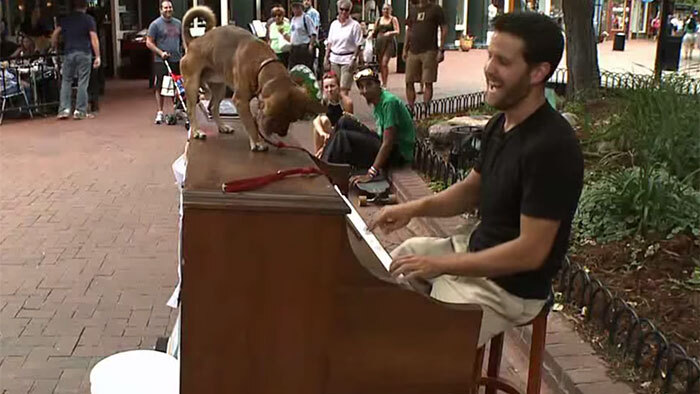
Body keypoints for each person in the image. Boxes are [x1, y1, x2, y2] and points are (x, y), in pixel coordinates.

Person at [371, 12, 583, 348]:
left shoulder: (552, 148)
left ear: (539, 72)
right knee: (391, 272)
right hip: (473, 254)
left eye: (503, 61)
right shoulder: (501, 125)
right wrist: (412, 209)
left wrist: (440, 264)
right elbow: (472, 190)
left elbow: (530, 253)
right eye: (489, 56)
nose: (489, 69)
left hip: (508, 288)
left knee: (411, 345)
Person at [322, 65, 415, 182]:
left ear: (378, 84)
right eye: (361, 87)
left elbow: (388, 143)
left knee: (343, 137)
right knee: (344, 121)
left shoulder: (389, 102)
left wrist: (371, 174)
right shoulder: (379, 100)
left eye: (369, 85)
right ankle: (323, 163)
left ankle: (323, 172)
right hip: (384, 145)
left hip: (397, 156)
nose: (365, 91)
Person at [51, 0, 101, 120]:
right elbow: (94, 38)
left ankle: (64, 109)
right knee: (83, 81)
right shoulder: (88, 19)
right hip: (84, 52)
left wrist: (54, 46)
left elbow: (55, 33)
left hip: (69, 52)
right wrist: (98, 55)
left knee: (66, 81)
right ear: (86, 6)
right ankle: (80, 110)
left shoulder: (67, 19)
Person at [403, 0, 447, 107]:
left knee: (428, 81)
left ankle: (425, 108)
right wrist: (405, 48)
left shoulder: (436, 9)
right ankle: (411, 108)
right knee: (409, 81)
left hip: (430, 51)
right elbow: (409, 30)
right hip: (413, 50)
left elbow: (444, 28)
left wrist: (441, 49)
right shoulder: (413, 10)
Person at [146, 0, 182, 124]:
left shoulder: (178, 23)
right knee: (160, 86)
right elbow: (149, 42)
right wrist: (161, 53)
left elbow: (183, 41)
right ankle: (160, 112)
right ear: (161, 10)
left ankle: (176, 110)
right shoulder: (155, 25)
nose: (168, 10)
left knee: (177, 86)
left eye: (170, 7)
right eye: (165, 8)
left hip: (176, 59)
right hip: (161, 61)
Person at [324, 0, 363, 100]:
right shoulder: (334, 24)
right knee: (334, 88)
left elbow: (359, 45)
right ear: (338, 9)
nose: (344, 12)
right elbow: (329, 43)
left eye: (347, 10)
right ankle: (336, 112)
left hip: (348, 60)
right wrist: (326, 58)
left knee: (343, 89)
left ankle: (346, 112)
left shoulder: (355, 25)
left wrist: (354, 59)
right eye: (342, 9)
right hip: (335, 59)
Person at [312, 71, 354, 157]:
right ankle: (318, 153)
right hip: (325, 134)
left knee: (325, 121)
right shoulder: (323, 101)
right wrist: (322, 133)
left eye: (332, 86)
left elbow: (349, 125)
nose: (329, 90)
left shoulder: (346, 102)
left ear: (338, 87)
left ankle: (323, 152)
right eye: (326, 87)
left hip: (340, 133)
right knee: (322, 121)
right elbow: (316, 120)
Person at [369, 3, 399, 87]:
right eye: (384, 9)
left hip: (389, 43)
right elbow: (374, 31)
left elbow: (397, 31)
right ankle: (382, 80)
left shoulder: (393, 19)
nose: (385, 11)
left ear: (390, 10)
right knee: (380, 63)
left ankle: (385, 83)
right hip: (379, 43)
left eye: (387, 9)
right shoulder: (379, 20)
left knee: (384, 63)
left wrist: (390, 33)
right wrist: (370, 35)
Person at [289, 0, 317, 70]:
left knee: (306, 68)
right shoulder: (293, 19)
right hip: (294, 48)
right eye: (294, 7)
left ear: (301, 7)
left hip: (303, 47)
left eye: (297, 7)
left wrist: (311, 45)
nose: (295, 9)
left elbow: (313, 33)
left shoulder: (306, 18)